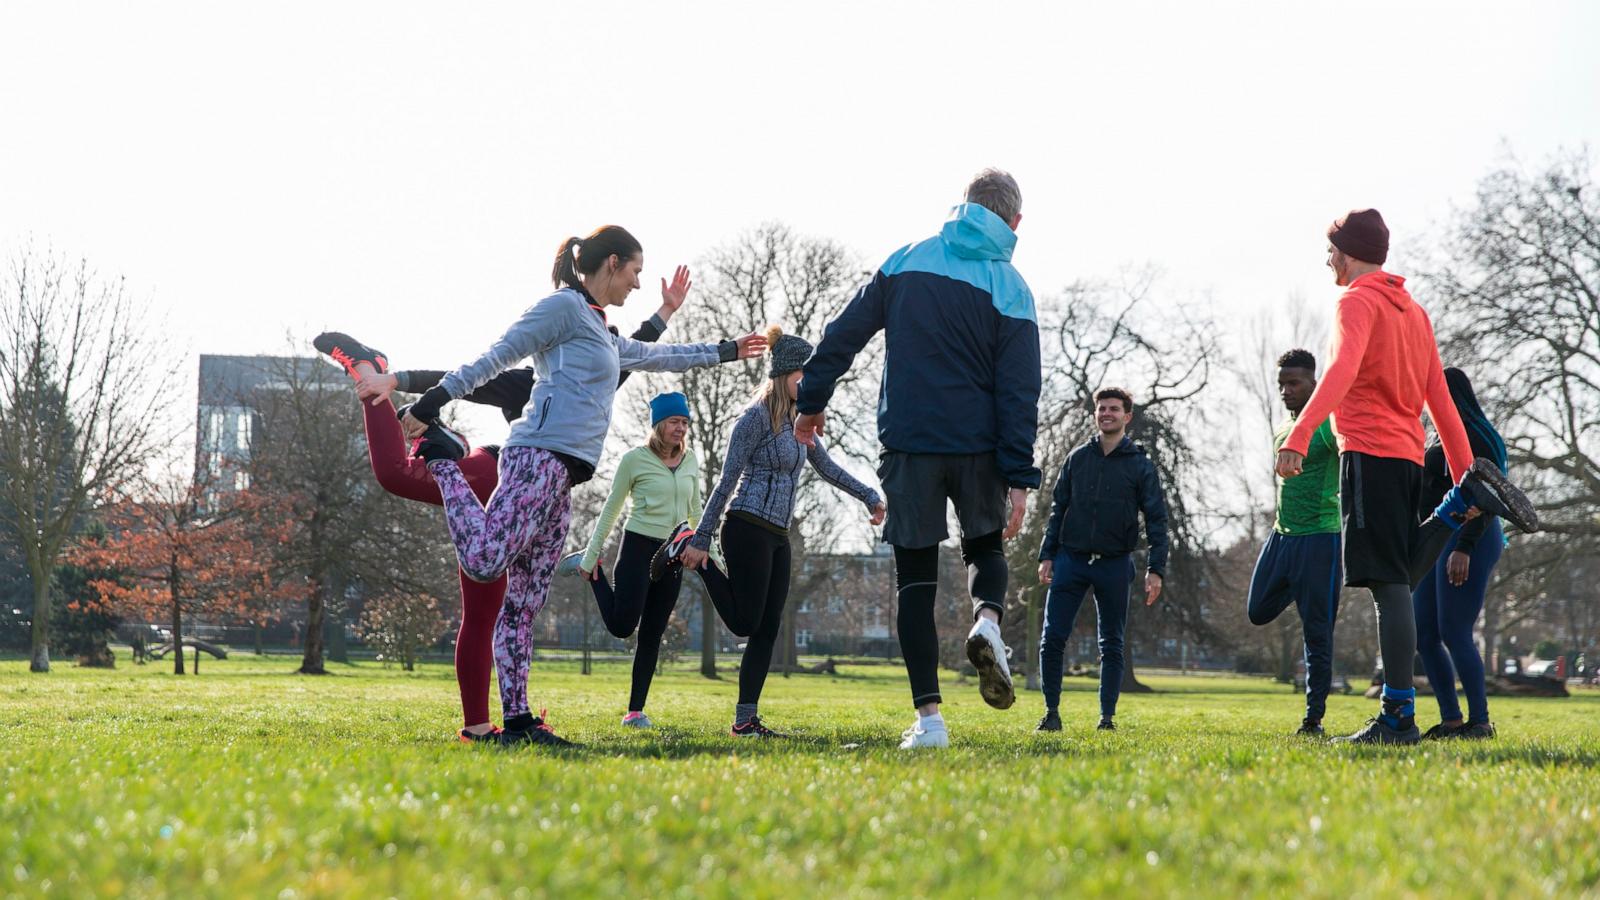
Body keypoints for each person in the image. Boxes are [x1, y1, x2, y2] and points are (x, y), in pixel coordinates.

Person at [402, 226, 766, 747]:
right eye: (635, 272)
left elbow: (661, 355)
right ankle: (442, 457)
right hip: (535, 458)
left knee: (524, 604)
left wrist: (727, 350)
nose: (637, 284)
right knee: (484, 562)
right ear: (612, 263)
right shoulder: (562, 309)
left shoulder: (602, 331)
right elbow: (495, 356)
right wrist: (431, 402)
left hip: (565, 477)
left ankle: (520, 721)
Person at [313, 287, 690, 743]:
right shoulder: (534, 380)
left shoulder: (593, 379)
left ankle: (480, 726)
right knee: (396, 474)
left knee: (488, 613)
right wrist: (396, 381)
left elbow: (632, 355)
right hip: (502, 477)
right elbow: (466, 378)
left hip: (529, 491)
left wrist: (665, 312)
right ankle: (377, 378)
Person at [792, 168, 1041, 750]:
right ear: (1015, 222)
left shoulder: (907, 259)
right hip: (979, 447)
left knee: (915, 580)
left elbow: (842, 334)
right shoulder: (1013, 287)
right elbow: (1020, 389)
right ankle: (987, 622)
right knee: (984, 546)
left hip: (909, 442)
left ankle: (930, 723)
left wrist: (810, 404)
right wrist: (1020, 475)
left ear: (964, 205)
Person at [1277, 208, 1537, 745]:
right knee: (1401, 575)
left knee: (1387, 585)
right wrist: (1466, 473)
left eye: (1331, 250)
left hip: (1369, 454)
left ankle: (1397, 716)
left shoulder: (1355, 300)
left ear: (1348, 253)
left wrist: (1298, 436)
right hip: (1408, 457)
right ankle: (1450, 507)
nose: (1328, 259)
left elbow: (1342, 371)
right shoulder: (1413, 311)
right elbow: (1437, 397)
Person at [675, 327, 886, 738]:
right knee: (745, 624)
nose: (809, 384)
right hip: (746, 526)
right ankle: (696, 560)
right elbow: (726, 480)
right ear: (784, 374)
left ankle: (745, 720)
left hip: (778, 536)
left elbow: (827, 468)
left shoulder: (799, 422)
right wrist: (702, 538)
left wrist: (869, 496)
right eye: (803, 376)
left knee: (768, 629)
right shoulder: (753, 420)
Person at [561, 391, 728, 728]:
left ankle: (635, 710)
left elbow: (696, 511)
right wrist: (592, 555)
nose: (680, 428)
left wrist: (713, 554)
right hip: (638, 547)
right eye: (673, 422)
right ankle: (594, 574)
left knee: (652, 633)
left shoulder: (691, 460)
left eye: (684, 422)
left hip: (674, 553)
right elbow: (612, 508)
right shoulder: (634, 460)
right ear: (658, 425)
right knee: (623, 626)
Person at [1035, 388, 1169, 733]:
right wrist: (1046, 555)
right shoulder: (1077, 458)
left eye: (1114, 409)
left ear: (1127, 417)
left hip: (1114, 563)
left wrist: (1156, 569)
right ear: (1095, 414)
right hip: (1070, 560)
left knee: (1111, 643)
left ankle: (1106, 719)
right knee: (1052, 639)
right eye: (1101, 409)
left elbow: (1156, 519)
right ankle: (1051, 713)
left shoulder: (1140, 465)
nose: (1106, 413)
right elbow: (1057, 509)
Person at [1245, 349, 1343, 737]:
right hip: (1282, 536)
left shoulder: (1330, 423)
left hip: (1321, 537)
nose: (1286, 390)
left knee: (1317, 632)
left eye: (1294, 383)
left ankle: (1313, 719)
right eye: (1282, 384)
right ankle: (1302, 591)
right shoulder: (1282, 430)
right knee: (1257, 610)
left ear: (1314, 384)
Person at [1413, 368, 1508, 740]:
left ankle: (1480, 722)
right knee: (1425, 633)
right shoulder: (1442, 434)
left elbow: (1487, 497)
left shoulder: (1477, 436)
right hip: (1439, 539)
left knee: (1454, 630)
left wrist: (1464, 547)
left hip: (1471, 540)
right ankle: (1452, 720)